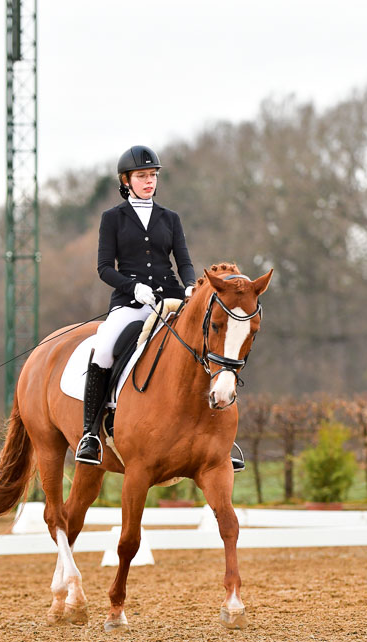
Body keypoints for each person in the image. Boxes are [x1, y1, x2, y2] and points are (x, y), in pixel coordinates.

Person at [75, 145, 244, 472]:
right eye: (142, 176)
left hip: (172, 299)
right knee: (104, 349)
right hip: (131, 302)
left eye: (152, 175)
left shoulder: (170, 218)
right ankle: (90, 434)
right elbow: (104, 268)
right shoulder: (112, 219)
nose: (149, 181)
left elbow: (183, 261)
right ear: (126, 180)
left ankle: (223, 435)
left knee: (212, 346)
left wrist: (191, 285)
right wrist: (132, 287)